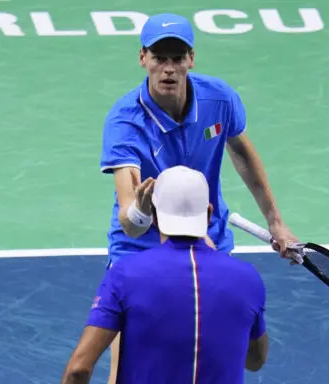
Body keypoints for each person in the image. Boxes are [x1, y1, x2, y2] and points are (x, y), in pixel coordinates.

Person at [99, 12, 298, 383]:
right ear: (143, 58)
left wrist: (276, 221)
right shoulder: (125, 122)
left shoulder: (219, 100)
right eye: (160, 58)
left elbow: (241, 153)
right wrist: (143, 211)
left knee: (220, 359)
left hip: (207, 238)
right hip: (140, 250)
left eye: (177, 58)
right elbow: (130, 222)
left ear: (191, 58)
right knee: (122, 370)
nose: (169, 69)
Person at [61, 166, 269, 384]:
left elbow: (79, 370)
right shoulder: (247, 279)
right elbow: (255, 360)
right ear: (208, 214)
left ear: (155, 218)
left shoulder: (125, 275)